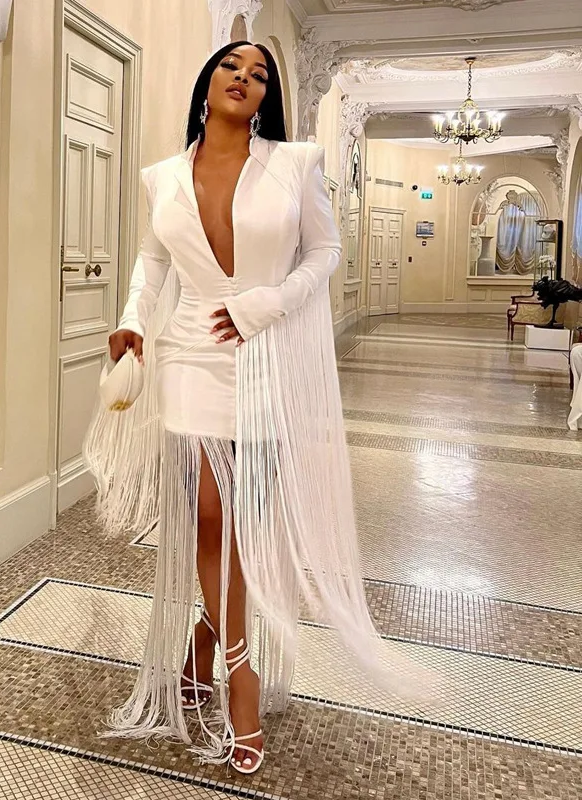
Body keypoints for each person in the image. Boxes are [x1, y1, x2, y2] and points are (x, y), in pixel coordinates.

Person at [85, 40, 415, 776]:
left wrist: (268, 303)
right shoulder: (162, 176)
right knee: (211, 513)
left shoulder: (294, 164)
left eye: (259, 73)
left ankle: (204, 641)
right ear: (207, 85)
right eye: (232, 67)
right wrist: (133, 317)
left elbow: (324, 252)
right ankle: (241, 674)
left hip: (267, 355)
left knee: (249, 519)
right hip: (190, 354)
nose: (244, 77)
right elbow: (153, 260)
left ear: (266, 97)